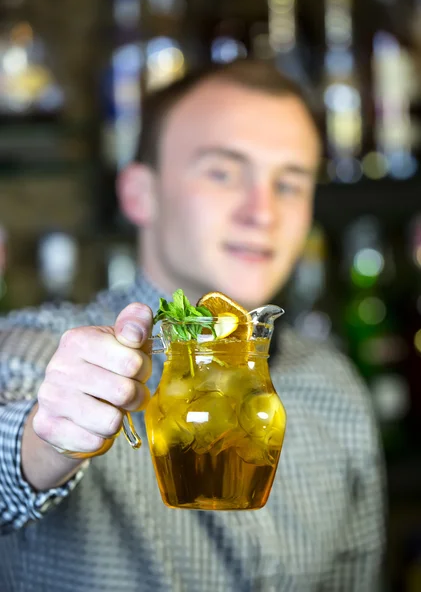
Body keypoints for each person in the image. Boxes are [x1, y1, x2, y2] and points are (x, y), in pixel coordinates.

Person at [0, 59, 385, 591]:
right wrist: (49, 439)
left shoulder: (333, 387)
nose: (263, 212)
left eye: (290, 184)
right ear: (140, 194)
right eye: (223, 172)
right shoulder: (35, 353)